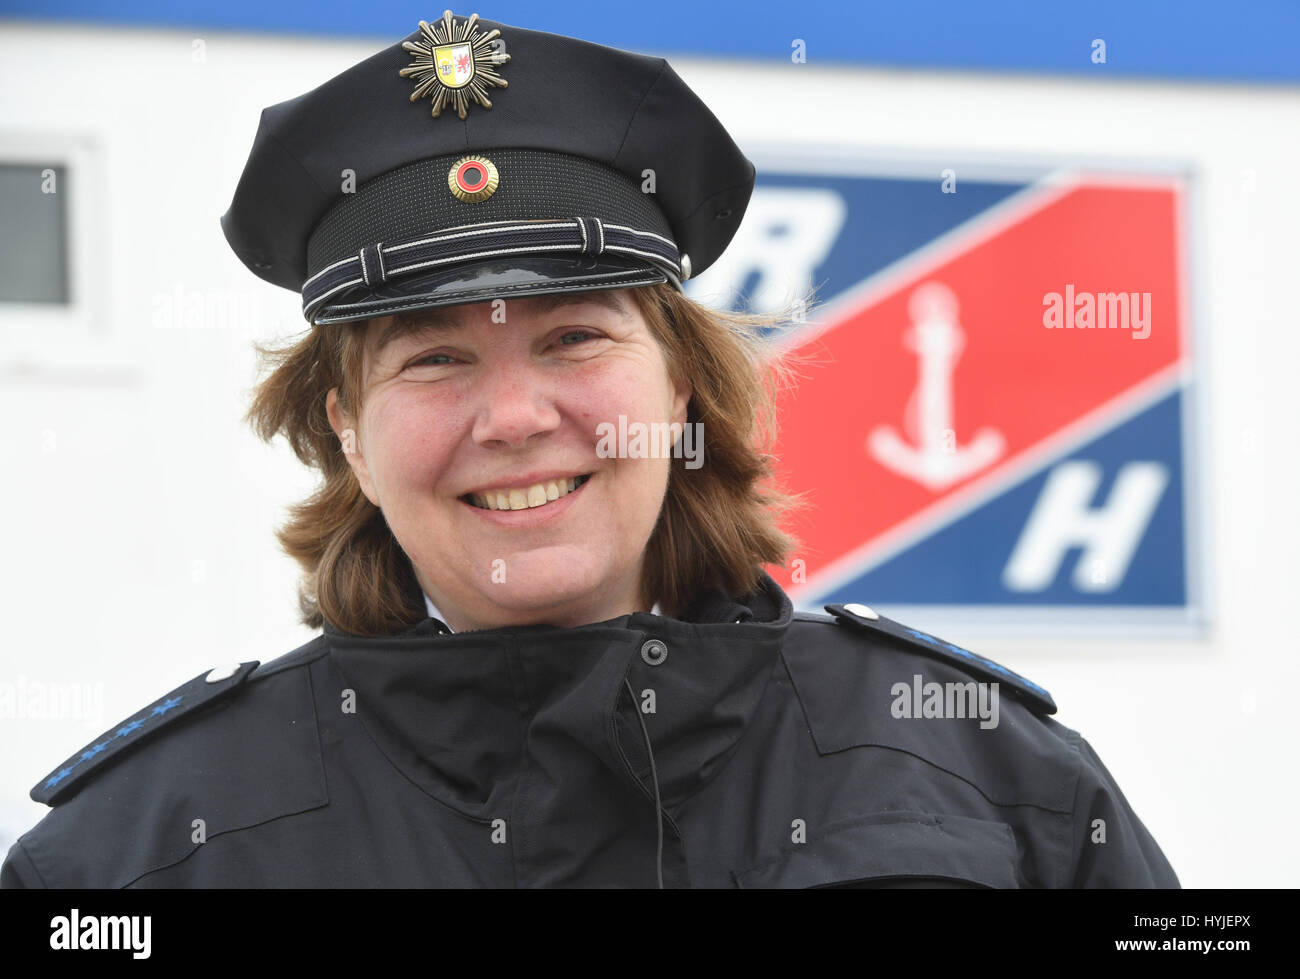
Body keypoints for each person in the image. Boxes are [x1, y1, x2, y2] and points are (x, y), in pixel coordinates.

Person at [1, 11, 1178, 889]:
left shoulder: (986, 780)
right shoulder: (140, 858)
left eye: (573, 336)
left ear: (682, 389)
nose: (513, 418)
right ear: (344, 433)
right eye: (433, 358)